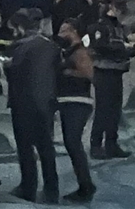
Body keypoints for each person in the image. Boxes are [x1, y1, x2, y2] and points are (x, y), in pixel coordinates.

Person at [4, 9, 61, 204]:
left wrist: (6, 66)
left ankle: (28, 187)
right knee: (46, 148)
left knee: (25, 148)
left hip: (23, 104)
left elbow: (15, 75)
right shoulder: (51, 46)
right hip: (45, 103)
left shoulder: (19, 49)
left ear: (20, 27)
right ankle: (51, 188)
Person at [88, 0, 135, 159]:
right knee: (103, 109)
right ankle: (96, 144)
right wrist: (123, 48)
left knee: (115, 110)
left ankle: (111, 143)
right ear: (115, 9)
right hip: (104, 71)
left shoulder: (118, 27)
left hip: (116, 70)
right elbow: (100, 46)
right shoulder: (101, 26)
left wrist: (130, 49)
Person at [55, 18, 96, 202]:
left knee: (73, 143)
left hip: (78, 102)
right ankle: (85, 185)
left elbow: (88, 74)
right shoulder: (68, 51)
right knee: (71, 144)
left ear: (74, 32)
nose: (60, 35)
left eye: (64, 31)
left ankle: (86, 186)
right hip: (68, 102)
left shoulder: (79, 52)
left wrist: (68, 73)